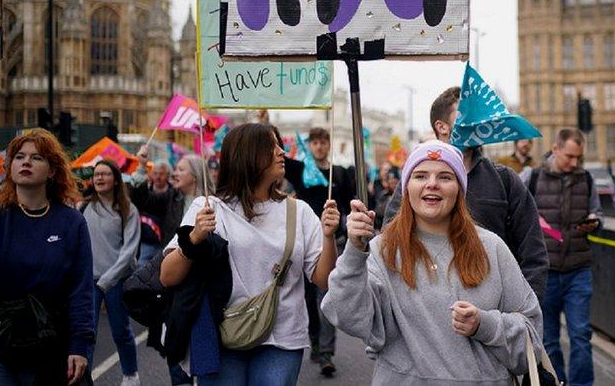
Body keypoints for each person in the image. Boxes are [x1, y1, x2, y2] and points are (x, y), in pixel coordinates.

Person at [322, 140, 543, 385]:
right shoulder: (382, 250)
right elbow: (347, 315)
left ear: (460, 188)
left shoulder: (493, 248)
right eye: (420, 175)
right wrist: (354, 251)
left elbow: (532, 340)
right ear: (407, 187)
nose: (432, 184)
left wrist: (485, 324)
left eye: (445, 177)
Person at [159, 123, 339, 385]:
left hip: (282, 339)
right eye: (272, 146)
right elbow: (167, 276)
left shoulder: (298, 211)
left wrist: (328, 236)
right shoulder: (208, 208)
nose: (281, 153)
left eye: (280, 145)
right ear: (246, 155)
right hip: (220, 335)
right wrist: (195, 237)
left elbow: (324, 279)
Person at [384, 87, 549, 302]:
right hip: (426, 309)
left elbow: (533, 252)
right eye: (466, 115)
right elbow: (390, 242)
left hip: (493, 315)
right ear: (441, 127)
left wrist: (524, 312)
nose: (476, 121)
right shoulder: (414, 184)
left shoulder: (504, 180)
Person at [0, 128, 93, 385]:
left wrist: (80, 344)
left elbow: (81, 289)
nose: (26, 162)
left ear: (52, 171)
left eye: (37, 157)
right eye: (19, 157)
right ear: (10, 168)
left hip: (49, 344)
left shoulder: (71, 222)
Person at [525, 128, 602, 386]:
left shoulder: (586, 179)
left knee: (581, 336)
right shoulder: (533, 177)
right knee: (549, 340)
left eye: (579, 157)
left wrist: (594, 222)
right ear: (555, 149)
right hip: (544, 272)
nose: (575, 163)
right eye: (569, 156)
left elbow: (597, 212)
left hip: (578, 270)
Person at [283, 127, 355, 375]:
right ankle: (314, 340)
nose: (320, 147)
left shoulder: (340, 174)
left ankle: (326, 353)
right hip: (301, 241)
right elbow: (278, 157)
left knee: (324, 296)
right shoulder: (301, 171)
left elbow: (349, 207)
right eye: (315, 143)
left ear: (328, 145)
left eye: (324, 142)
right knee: (307, 299)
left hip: (328, 244)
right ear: (310, 146)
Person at [83, 159, 141, 386]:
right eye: (96, 174)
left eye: (104, 174)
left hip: (116, 280)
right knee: (86, 334)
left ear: (116, 180)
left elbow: (129, 252)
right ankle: (83, 378)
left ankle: (130, 374)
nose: (99, 178)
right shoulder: (85, 207)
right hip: (90, 281)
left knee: (120, 331)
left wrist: (108, 279)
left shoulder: (128, 210)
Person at [130, 152, 179, 264]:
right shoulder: (146, 193)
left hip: (167, 241)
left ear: (168, 175)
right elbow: (137, 200)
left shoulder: (175, 194)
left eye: (161, 174)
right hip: (147, 240)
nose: (158, 177)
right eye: (155, 173)